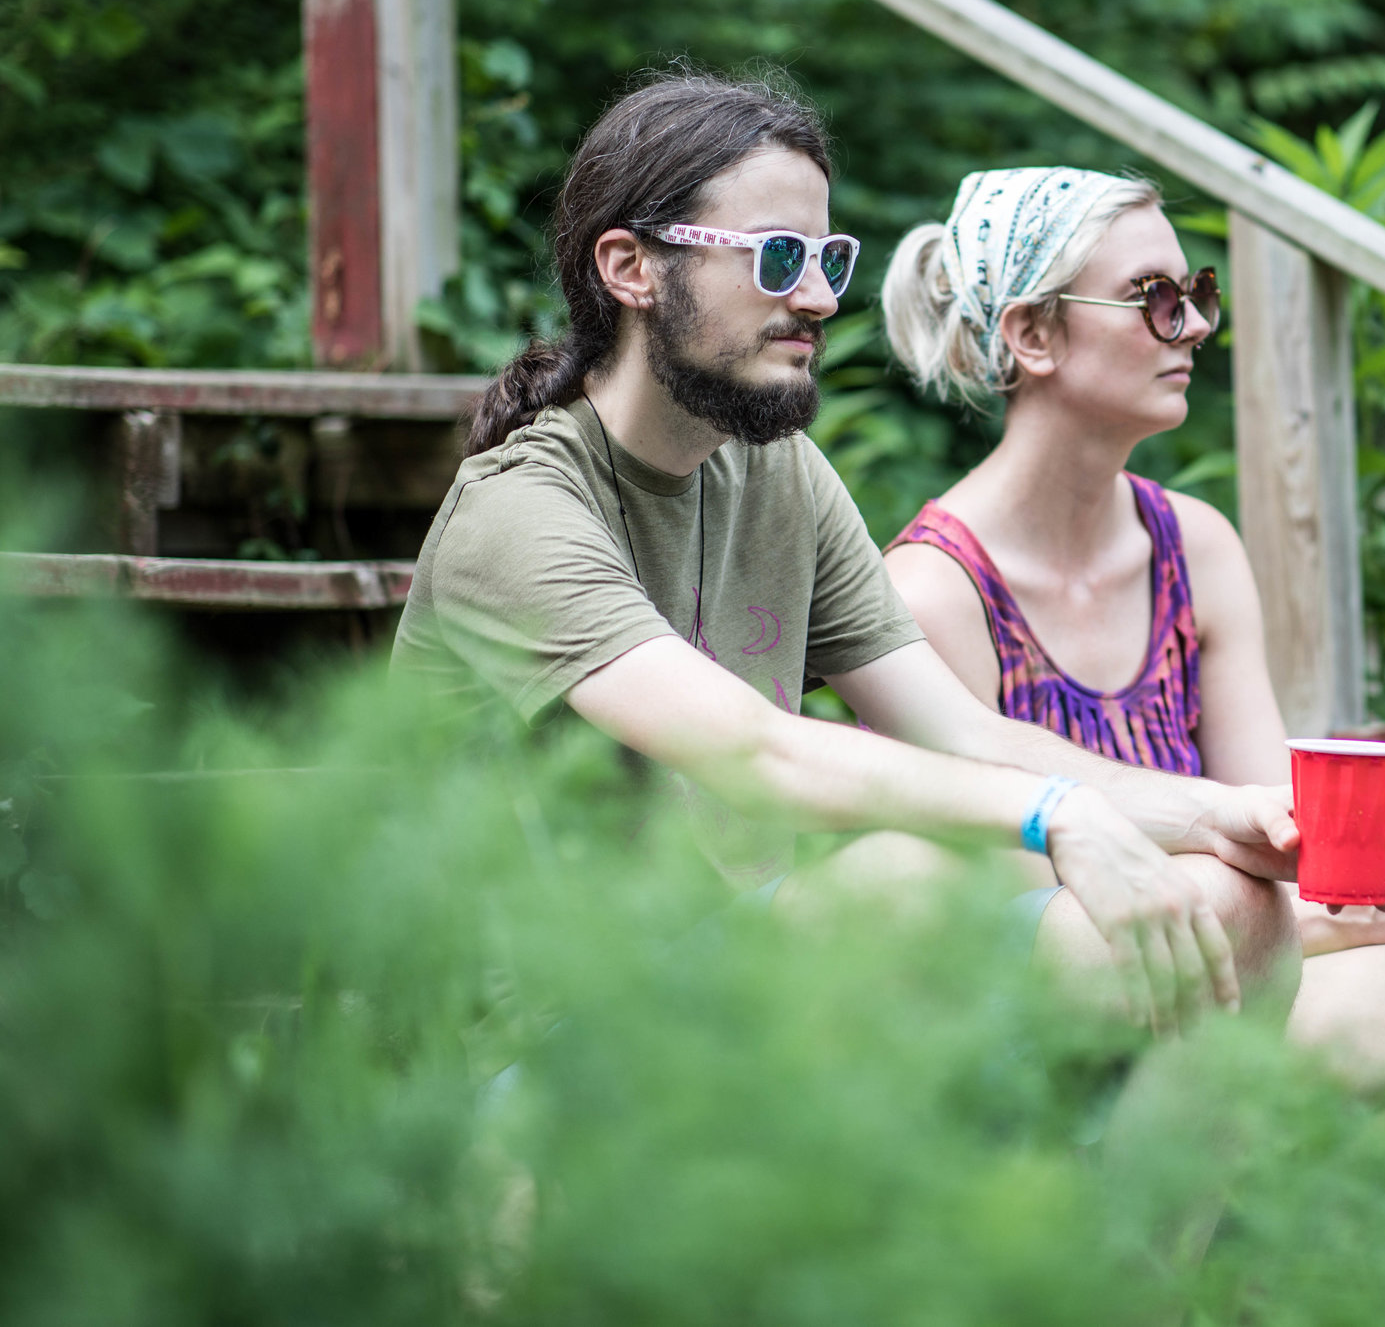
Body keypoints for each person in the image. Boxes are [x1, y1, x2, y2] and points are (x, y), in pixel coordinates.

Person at [392, 74, 1302, 1037]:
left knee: (1238, 908)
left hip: (728, 1011)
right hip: (521, 1051)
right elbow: (757, 753)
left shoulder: (778, 473)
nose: (821, 297)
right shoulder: (519, 510)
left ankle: (1138, 1193)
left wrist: (1216, 817)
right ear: (631, 269)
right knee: (905, 874)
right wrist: (1056, 815)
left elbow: (970, 734)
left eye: (827, 256)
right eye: (778, 257)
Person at [879, 167, 1385, 1115]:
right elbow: (1054, 920)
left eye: (1195, 292)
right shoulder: (932, 591)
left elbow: (1288, 825)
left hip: (1255, 954)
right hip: (1107, 1003)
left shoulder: (1191, 544)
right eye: (1150, 299)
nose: (1196, 325)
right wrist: (1373, 914)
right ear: (1033, 335)